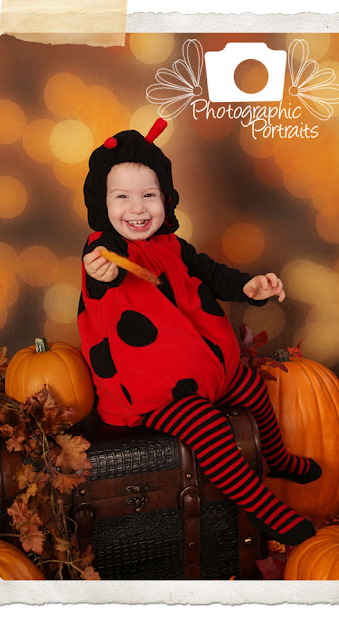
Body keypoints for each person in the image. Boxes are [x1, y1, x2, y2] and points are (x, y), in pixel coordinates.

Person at [78, 118, 322, 546]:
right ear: (103, 202)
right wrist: (102, 271)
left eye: (148, 195)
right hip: (153, 391)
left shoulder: (172, 246)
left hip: (204, 370)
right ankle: (264, 508)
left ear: (166, 198)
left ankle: (277, 457)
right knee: (208, 428)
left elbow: (212, 273)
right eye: (122, 197)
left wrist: (249, 287)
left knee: (252, 388)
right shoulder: (106, 248)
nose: (137, 209)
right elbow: (104, 271)